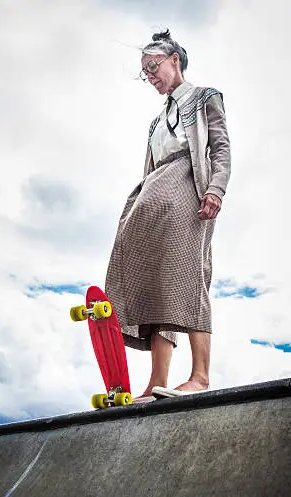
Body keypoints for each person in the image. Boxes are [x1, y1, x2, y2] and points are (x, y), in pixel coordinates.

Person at [105, 29, 231, 400]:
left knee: (190, 275)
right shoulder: (155, 122)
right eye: (145, 71)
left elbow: (220, 148)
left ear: (174, 60)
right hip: (155, 195)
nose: (150, 76)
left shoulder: (205, 97)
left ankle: (200, 376)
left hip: (189, 190)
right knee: (158, 283)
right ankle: (156, 381)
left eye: (153, 67)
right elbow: (150, 167)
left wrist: (215, 189)